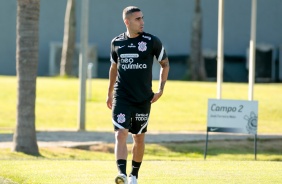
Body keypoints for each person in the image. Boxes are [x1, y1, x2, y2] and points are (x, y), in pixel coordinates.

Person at [106, 6, 169, 184]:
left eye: (142, 18)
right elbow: (113, 67)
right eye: (137, 19)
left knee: (138, 137)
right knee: (120, 133)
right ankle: (121, 174)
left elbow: (165, 64)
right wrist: (109, 93)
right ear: (127, 22)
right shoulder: (116, 42)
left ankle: (134, 175)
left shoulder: (151, 41)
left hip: (143, 98)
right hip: (122, 96)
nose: (142, 22)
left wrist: (160, 89)